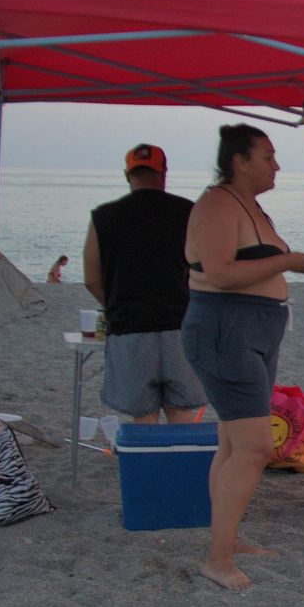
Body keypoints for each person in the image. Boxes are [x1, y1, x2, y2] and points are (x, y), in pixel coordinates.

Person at [181, 125, 304, 591]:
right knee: (254, 448)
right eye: (268, 156)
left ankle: (228, 538)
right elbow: (220, 273)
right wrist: (286, 262)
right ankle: (217, 559)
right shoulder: (217, 204)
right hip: (226, 328)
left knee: (231, 444)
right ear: (240, 162)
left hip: (255, 328)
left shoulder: (249, 205)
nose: (277, 165)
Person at [83, 144, 207, 425]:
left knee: (143, 414)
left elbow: (91, 278)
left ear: (127, 175)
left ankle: (151, 455)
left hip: (130, 328)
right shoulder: (188, 212)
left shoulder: (103, 217)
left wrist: (115, 304)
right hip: (180, 326)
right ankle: (182, 455)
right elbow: (206, 268)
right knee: (181, 410)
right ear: (163, 173)